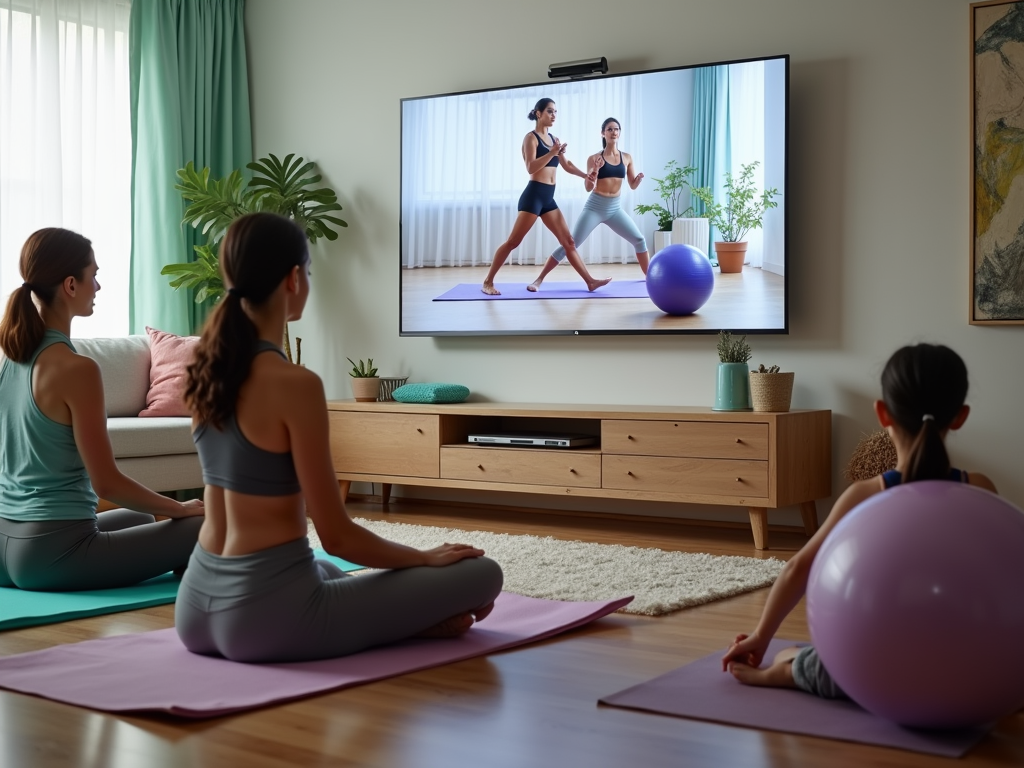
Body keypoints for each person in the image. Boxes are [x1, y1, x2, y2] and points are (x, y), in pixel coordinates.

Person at [175, 212, 503, 663]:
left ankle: (409, 619)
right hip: (264, 621)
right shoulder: (296, 384)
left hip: (193, 610)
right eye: (308, 271)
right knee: (481, 573)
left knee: (324, 570)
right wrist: (425, 558)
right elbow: (338, 536)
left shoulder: (204, 375)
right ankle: (414, 623)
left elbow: (329, 554)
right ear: (293, 278)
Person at [721, 343, 998, 699]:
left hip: (884, 666)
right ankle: (796, 661)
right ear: (960, 416)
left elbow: (798, 569)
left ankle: (782, 673)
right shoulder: (979, 488)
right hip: (963, 665)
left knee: (830, 665)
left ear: (883, 414)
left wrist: (761, 636)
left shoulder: (865, 495)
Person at [0, 228, 205, 591]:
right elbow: (106, 481)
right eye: (93, 275)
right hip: (52, 553)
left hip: (6, 544)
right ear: (70, 285)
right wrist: (181, 509)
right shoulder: (76, 369)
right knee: (206, 524)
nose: (98, 286)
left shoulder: (7, 359)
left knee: (141, 515)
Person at [481, 97, 612, 295]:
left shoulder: (553, 140)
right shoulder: (530, 138)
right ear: (538, 113)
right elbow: (530, 167)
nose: (553, 115)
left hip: (548, 198)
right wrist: (551, 153)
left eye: (555, 112)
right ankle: (487, 282)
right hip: (533, 195)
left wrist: (586, 175)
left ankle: (590, 281)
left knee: (568, 242)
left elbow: (566, 165)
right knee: (513, 242)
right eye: (550, 111)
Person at [528, 117, 648, 291]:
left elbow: (632, 185)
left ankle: (651, 278)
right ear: (603, 133)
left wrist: (638, 180)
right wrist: (595, 171)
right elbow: (588, 187)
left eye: (616, 129)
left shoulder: (627, 158)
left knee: (639, 240)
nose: (613, 132)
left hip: (615, 208)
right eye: (609, 129)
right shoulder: (594, 158)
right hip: (595, 207)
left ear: (619, 133)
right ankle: (538, 280)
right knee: (570, 244)